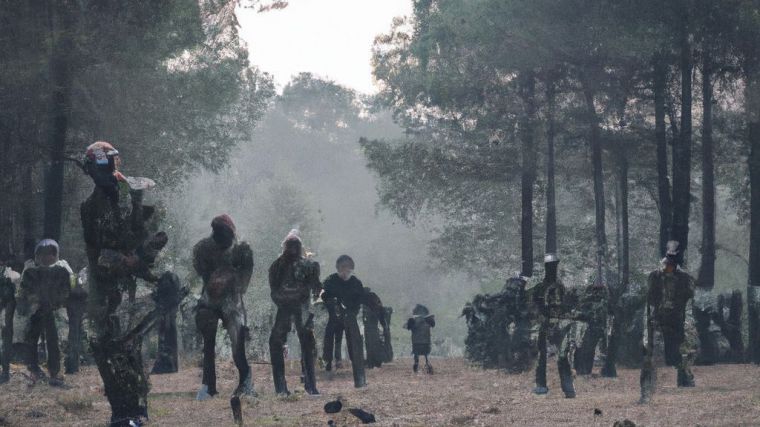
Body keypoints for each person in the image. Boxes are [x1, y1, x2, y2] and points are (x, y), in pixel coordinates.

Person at [81, 141, 185, 426]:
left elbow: (158, 235)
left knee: (128, 348)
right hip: (106, 287)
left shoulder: (135, 194)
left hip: (135, 284)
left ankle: (136, 412)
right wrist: (119, 261)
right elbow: (95, 253)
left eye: (110, 166)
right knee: (105, 348)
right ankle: (121, 412)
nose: (107, 172)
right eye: (101, 167)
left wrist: (142, 260)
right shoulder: (90, 207)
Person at [193, 214, 255, 400]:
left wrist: (229, 277)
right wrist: (215, 281)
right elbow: (203, 274)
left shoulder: (242, 249)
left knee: (238, 341)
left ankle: (245, 381)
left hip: (232, 299)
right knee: (208, 340)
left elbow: (244, 283)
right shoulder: (203, 248)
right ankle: (208, 385)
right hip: (210, 299)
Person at [640, 240, 697, 404]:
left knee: (682, 349)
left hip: (678, 317)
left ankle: (684, 378)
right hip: (659, 317)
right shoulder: (655, 275)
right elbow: (649, 297)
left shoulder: (685, 278)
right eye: (667, 260)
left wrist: (685, 318)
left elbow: (689, 298)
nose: (668, 265)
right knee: (652, 351)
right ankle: (650, 384)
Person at [268, 229, 321, 396]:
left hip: (301, 308)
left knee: (307, 344)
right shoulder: (277, 266)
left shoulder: (307, 265)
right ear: (285, 247)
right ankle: (282, 389)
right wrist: (286, 299)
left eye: (294, 245)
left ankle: (310, 386)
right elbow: (274, 291)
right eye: (289, 246)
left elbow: (315, 289)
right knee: (276, 342)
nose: (291, 249)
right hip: (285, 308)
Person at [17, 239, 73, 386]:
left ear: (55, 255)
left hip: (55, 310)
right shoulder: (30, 271)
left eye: (49, 254)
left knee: (54, 340)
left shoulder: (62, 270)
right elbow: (23, 290)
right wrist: (33, 302)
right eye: (42, 254)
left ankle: (54, 372)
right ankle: (33, 370)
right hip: (36, 310)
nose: (46, 257)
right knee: (31, 339)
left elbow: (67, 290)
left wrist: (57, 303)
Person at [531, 253, 580, 398]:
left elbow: (565, 307)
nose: (552, 269)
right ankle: (543, 387)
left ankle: (567, 389)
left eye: (554, 266)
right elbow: (536, 308)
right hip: (549, 325)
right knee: (544, 357)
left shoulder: (558, 287)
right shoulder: (542, 288)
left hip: (558, 325)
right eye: (551, 266)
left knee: (561, 357)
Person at [321, 255, 367, 387]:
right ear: (338, 268)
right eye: (342, 267)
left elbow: (360, 299)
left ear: (351, 268)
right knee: (329, 340)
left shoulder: (356, 283)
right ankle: (328, 364)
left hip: (350, 316)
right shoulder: (331, 280)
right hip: (334, 316)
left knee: (354, 342)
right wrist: (333, 305)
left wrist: (351, 311)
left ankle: (358, 372)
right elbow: (323, 295)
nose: (345, 270)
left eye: (347, 267)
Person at [573, 279, 609, 375]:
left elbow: (605, 314)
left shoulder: (604, 300)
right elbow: (581, 311)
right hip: (586, 327)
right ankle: (581, 370)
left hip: (596, 328)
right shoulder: (587, 299)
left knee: (590, 350)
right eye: (596, 290)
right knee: (583, 349)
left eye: (599, 290)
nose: (597, 293)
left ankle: (585, 371)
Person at [0, 256, 19, 384]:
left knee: (6, 336)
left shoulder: (11, 274)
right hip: (5, 306)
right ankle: (5, 371)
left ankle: (5, 372)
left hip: (7, 307)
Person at [362, 287, 390, 369]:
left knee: (370, 343)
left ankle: (371, 362)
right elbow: (380, 309)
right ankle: (376, 362)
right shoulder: (374, 297)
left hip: (370, 323)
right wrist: (383, 322)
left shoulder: (365, 299)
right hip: (374, 323)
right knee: (375, 343)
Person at [405, 304, 435, 374]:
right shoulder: (428, 320)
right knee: (426, 355)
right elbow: (433, 324)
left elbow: (407, 327)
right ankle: (428, 364)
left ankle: (416, 364)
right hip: (426, 342)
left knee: (416, 354)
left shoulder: (412, 321)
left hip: (416, 342)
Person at [322, 284, 345, 372]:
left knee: (336, 343)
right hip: (331, 324)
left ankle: (337, 360)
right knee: (330, 343)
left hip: (338, 324)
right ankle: (329, 361)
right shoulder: (329, 301)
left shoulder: (340, 301)